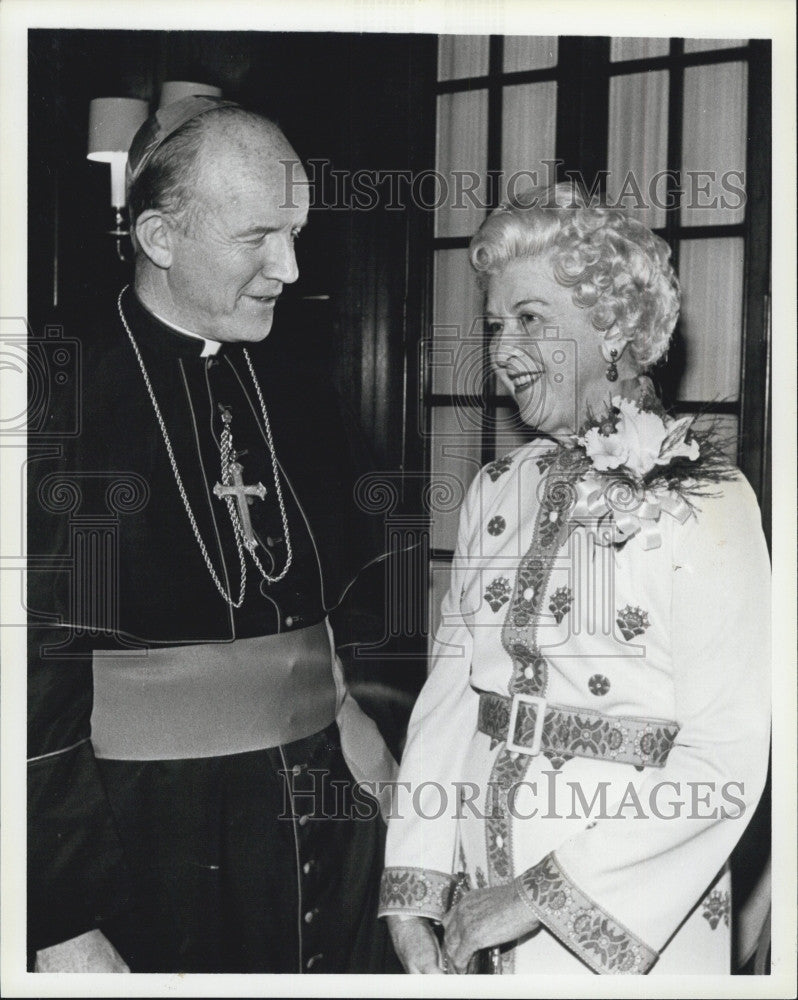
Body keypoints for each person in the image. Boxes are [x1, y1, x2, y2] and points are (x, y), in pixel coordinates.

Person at [27, 96, 399, 974]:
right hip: (146, 838)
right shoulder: (58, 399)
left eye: (298, 231)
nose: (290, 266)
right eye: (259, 237)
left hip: (320, 806)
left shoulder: (299, 380)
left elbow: (313, 619)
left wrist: (366, 751)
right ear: (160, 239)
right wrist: (57, 919)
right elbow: (26, 693)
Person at [379, 183, 771, 974]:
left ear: (614, 330)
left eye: (530, 320)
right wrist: (414, 892)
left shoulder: (708, 500)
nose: (500, 350)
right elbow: (452, 696)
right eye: (496, 324)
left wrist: (536, 897)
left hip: (623, 915)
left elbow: (727, 755)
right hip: (475, 896)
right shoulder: (495, 490)